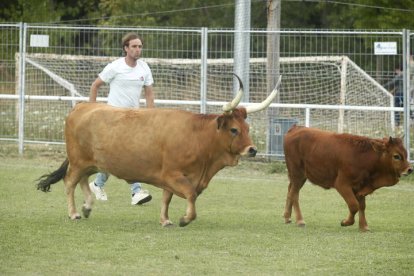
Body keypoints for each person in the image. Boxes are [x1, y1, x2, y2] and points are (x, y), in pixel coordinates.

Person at [88, 32, 154, 205]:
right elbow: (95, 86)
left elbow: (149, 92)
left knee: (117, 156)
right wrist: (91, 110)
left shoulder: (144, 68)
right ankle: (137, 191)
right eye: (134, 46)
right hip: (114, 119)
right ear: (126, 48)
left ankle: (97, 183)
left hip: (135, 119)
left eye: (140, 46)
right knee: (128, 155)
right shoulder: (114, 67)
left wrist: (152, 116)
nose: (138, 49)